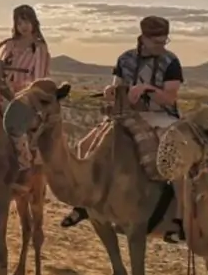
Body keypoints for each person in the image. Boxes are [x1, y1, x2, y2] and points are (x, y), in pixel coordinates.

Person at [60, 15, 185, 227]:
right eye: (157, 42)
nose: (161, 46)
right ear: (143, 38)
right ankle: (84, 203)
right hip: (126, 113)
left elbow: (170, 97)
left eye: (164, 41)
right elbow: (116, 86)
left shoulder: (171, 62)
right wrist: (111, 91)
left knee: (174, 157)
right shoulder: (125, 59)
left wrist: (146, 89)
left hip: (161, 116)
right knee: (85, 146)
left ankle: (180, 216)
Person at [0, 4, 51, 188]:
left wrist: (17, 89)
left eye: (26, 21)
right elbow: (3, 66)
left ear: (34, 22)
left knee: (11, 117)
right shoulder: (10, 44)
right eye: (19, 22)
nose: (23, 26)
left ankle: (24, 163)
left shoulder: (39, 48)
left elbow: (39, 79)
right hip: (2, 90)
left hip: (27, 96)